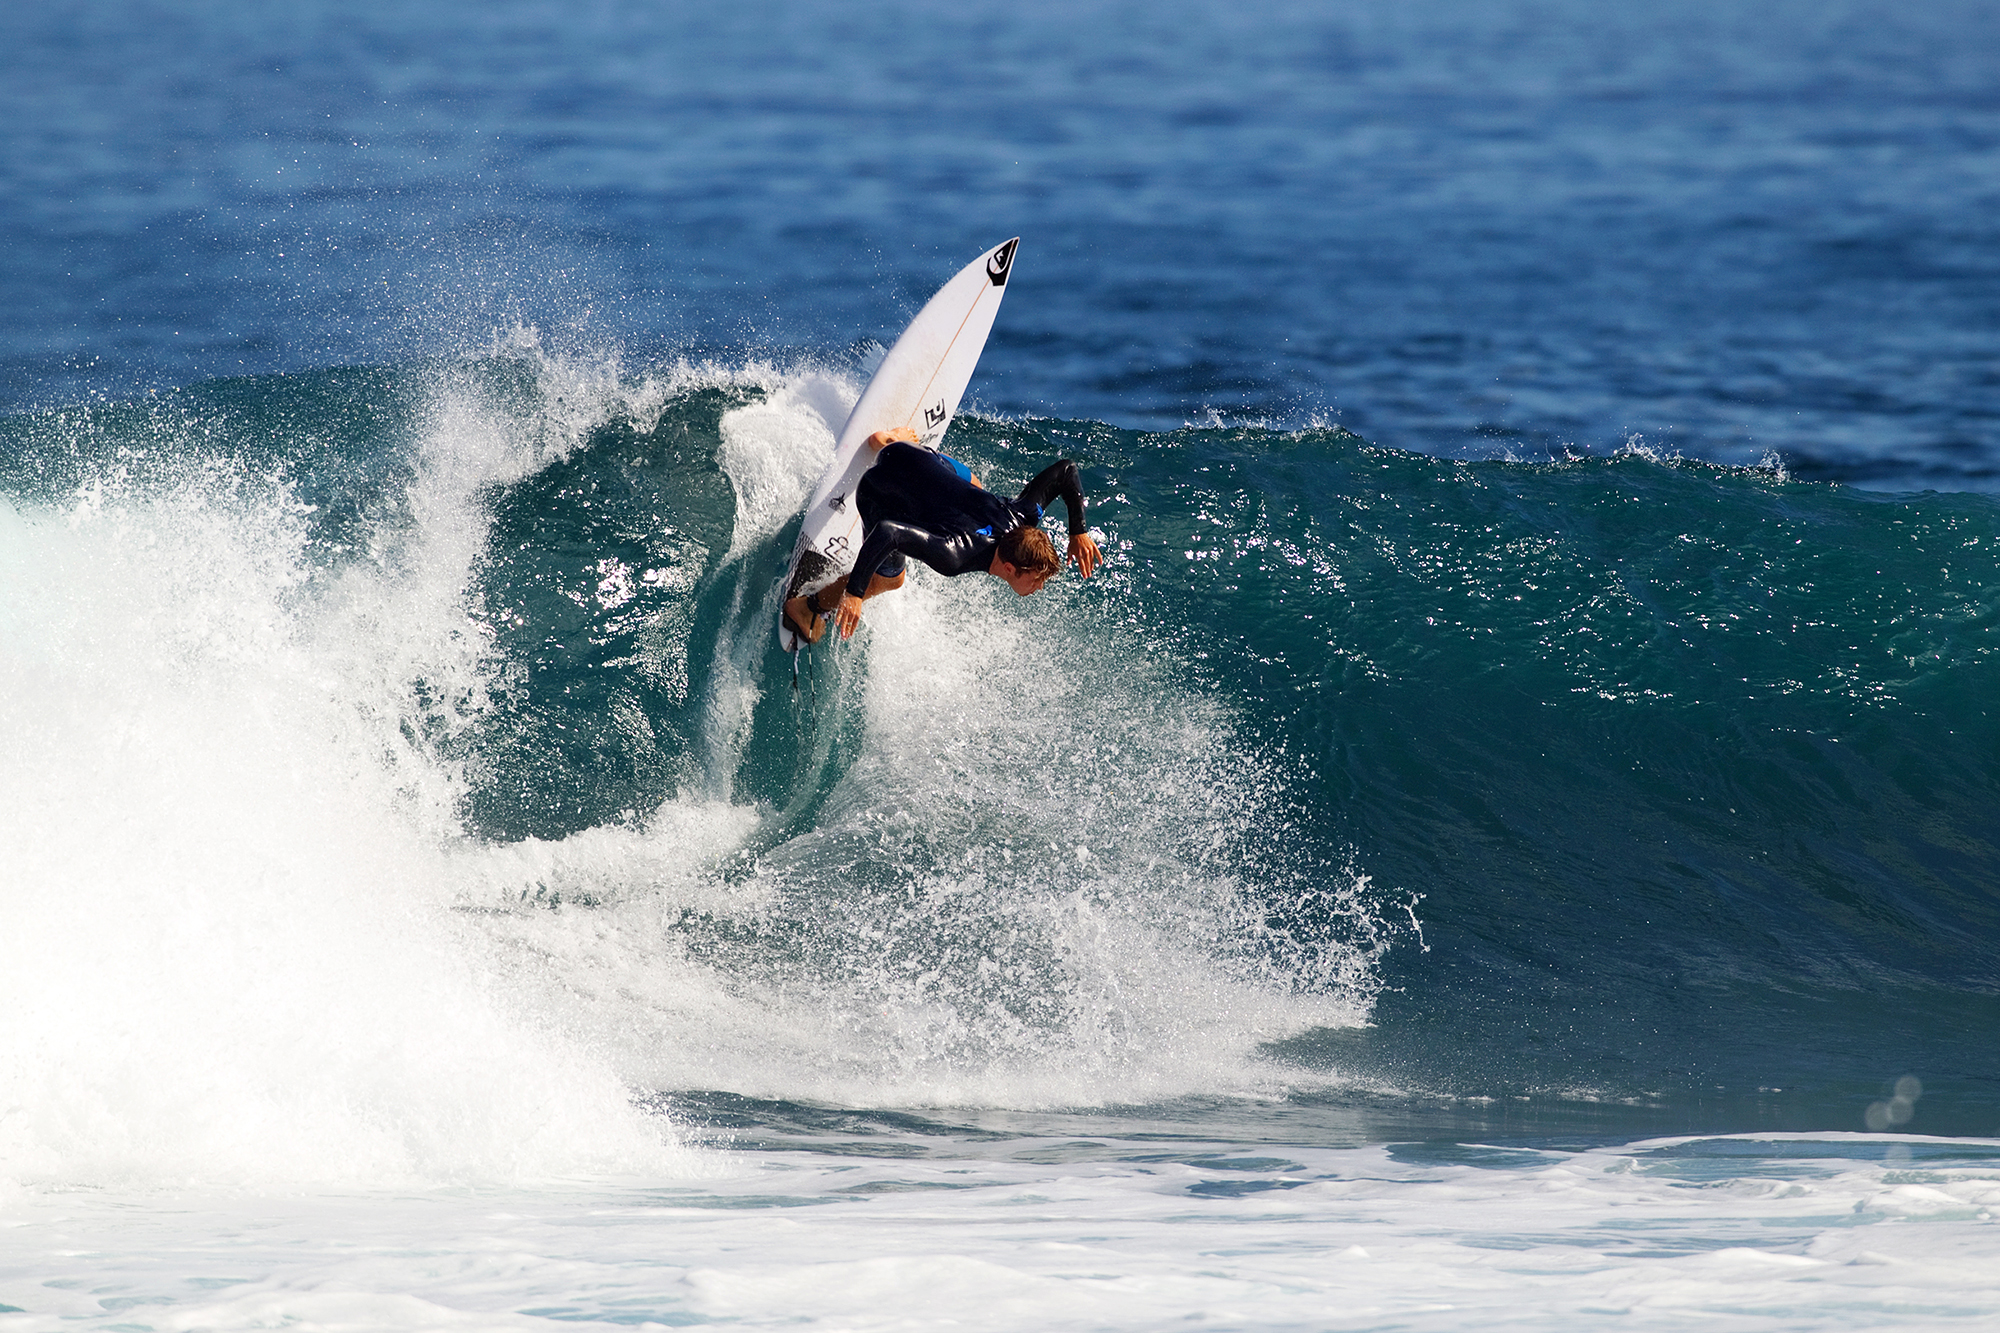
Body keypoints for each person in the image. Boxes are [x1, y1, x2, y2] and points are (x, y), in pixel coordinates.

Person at [784, 425, 1101, 643]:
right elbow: (888, 532)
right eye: (1035, 578)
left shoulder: (1023, 516)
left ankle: (890, 441)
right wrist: (854, 593)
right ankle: (807, 608)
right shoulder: (955, 554)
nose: (1039, 586)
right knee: (892, 579)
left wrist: (1079, 532)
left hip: (913, 455)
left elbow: (1066, 471)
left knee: (973, 485)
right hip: (876, 491)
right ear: (1009, 568)